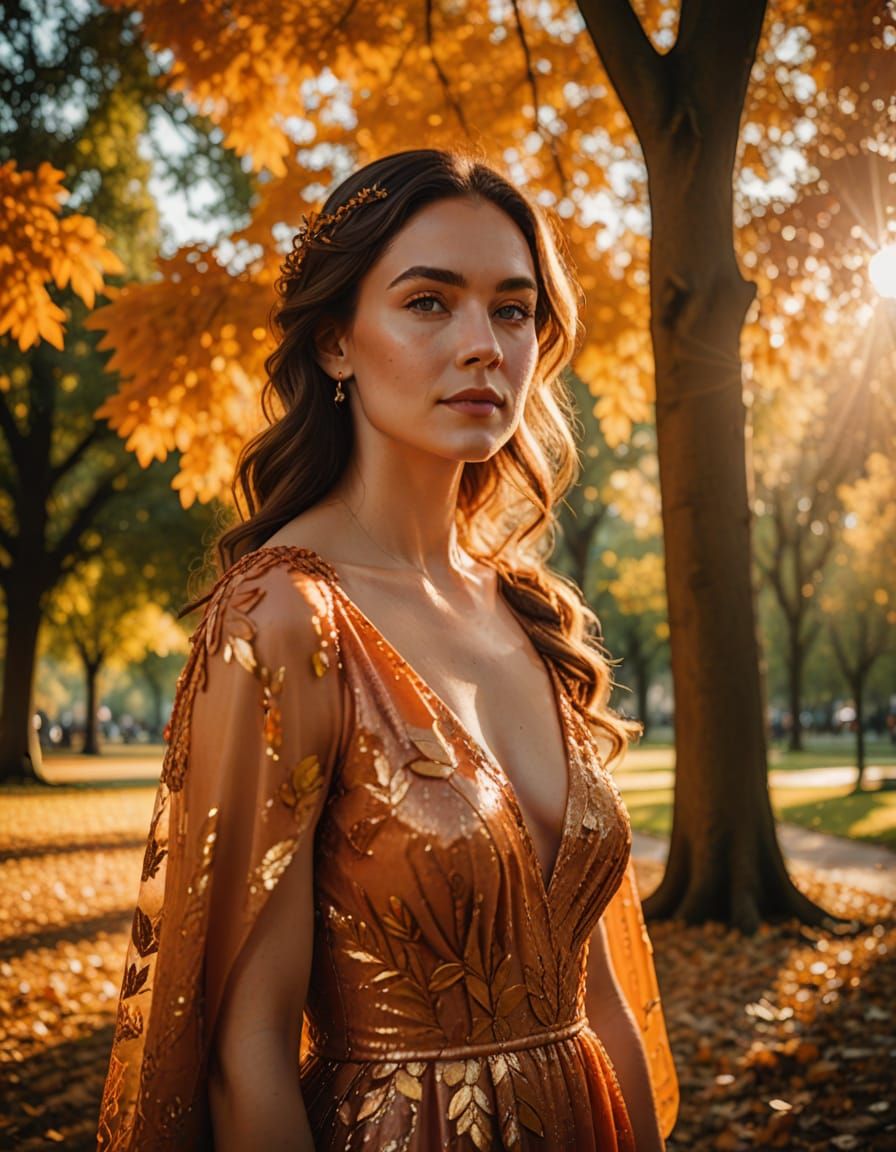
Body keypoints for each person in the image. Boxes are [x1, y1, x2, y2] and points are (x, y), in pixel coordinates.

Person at [97, 148, 678, 1151]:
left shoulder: (531, 613)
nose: (483, 346)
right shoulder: (283, 621)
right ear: (334, 343)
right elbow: (249, 1050)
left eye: (511, 309)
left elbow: (600, 998)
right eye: (427, 303)